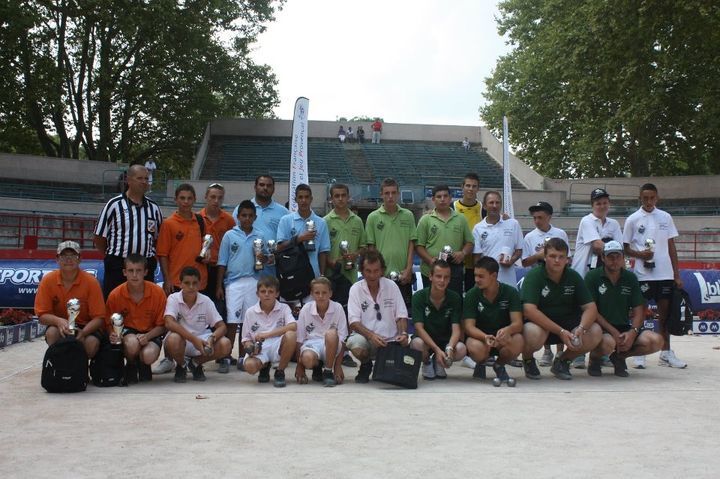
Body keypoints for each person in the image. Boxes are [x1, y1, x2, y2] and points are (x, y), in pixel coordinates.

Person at [520, 238, 603, 380]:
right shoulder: (534, 276)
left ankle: (563, 361)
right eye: (552, 256)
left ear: (567, 259)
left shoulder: (573, 276)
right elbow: (529, 310)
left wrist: (581, 328)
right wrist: (560, 331)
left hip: (568, 323)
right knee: (531, 332)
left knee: (595, 331)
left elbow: (591, 308)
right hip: (542, 325)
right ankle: (528, 360)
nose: (557, 260)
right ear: (545, 257)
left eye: (561, 257)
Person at [623, 183, 686, 369]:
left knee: (664, 315)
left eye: (652, 198)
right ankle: (639, 352)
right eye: (645, 198)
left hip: (664, 274)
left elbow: (671, 246)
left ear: (657, 198)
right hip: (642, 274)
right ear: (640, 198)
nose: (649, 201)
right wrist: (641, 255)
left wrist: (676, 274)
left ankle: (666, 353)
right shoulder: (632, 219)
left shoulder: (666, 217)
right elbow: (625, 248)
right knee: (639, 314)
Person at [584, 241, 663, 377]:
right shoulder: (592, 277)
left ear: (623, 258)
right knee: (608, 342)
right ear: (603, 257)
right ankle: (594, 359)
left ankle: (620, 357)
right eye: (610, 257)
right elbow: (592, 311)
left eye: (618, 257)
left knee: (656, 341)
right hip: (600, 328)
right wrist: (614, 332)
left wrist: (632, 333)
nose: (614, 261)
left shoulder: (630, 278)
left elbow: (639, 310)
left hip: (624, 327)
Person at [570, 187, 622, 369]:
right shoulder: (587, 220)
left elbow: (619, 250)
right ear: (592, 205)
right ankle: (578, 353)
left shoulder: (614, 224)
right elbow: (599, 246)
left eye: (605, 202)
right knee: (583, 315)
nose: (602, 206)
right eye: (598, 203)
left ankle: (601, 352)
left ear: (609, 204)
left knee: (602, 313)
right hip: (583, 274)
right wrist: (611, 247)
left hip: (604, 274)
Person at [94, 164, 163, 298]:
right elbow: (99, 237)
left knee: (144, 304)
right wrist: (111, 256)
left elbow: (158, 238)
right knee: (114, 305)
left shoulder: (154, 208)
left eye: (146, 178)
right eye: (140, 178)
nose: (144, 182)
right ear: (129, 180)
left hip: (145, 266)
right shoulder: (114, 205)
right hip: (118, 266)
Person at [346, 251, 409, 383]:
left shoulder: (392, 286)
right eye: (368, 271)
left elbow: (401, 315)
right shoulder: (355, 289)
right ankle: (365, 365)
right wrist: (371, 336)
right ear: (361, 271)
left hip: (391, 341)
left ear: (382, 270)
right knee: (356, 346)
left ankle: (385, 366)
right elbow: (353, 322)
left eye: (376, 271)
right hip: (368, 340)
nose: (372, 275)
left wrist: (403, 333)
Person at [35, 241, 106, 359]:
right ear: (57, 259)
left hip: (86, 326)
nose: (69, 260)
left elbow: (99, 318)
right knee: (52, 333)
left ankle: (80, 371)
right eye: (64, 256)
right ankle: (58, 369)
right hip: (60, 326)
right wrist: (59, 321)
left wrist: (83, 333)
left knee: (91, 344)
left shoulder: (91, 282)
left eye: (73, 256)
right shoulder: (48, 280)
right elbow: (42, 315)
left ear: (80, 259)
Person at [521, 201, 569, 367]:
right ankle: (547, 351)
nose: (537, 221)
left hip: (558, 280)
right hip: (539, 280)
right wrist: (539, 255)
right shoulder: (529, 237)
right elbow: (525, 262)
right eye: (534, 218)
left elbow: (567, 257)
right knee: (542, 314)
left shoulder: (560, 233)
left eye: (540, 217)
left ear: (549, 217)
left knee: (560, 313)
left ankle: (561, 350)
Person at [105, 254, 167, 383]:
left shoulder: (158, 293)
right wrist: (112, 334)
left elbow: (162, 325)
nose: (134, 275)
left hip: (150, 333)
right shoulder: (115, 295)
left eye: (138, 271)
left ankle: (144, 364)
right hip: (128, 333)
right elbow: (108, 323)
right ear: (124, 272)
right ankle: (131, 364)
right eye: (131, 271)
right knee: (132, 344)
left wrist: (148, 336)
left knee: (149, 355)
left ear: (145, 272)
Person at [164, 267, 231, 383]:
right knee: (173, 339)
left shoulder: (206, 301)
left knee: (226, 344)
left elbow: (222, 326)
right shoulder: (173, 298)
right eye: (187, 283)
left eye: (194, 283)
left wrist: (211, 338)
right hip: (182, 341)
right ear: (180, 284)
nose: (191, 287)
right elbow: (169, 322)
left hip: (202, 340)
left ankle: (196, 363)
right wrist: (193, 339)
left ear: (199, 284)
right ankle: (181, 366)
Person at [463, 257, 524, 384]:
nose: (476, 280)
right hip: (481, 339)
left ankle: (499, 365)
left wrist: (508, 330)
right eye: (475, 275)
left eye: (481, 276)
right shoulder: (471, 294)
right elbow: (469, 327)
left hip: (503, 339)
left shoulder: (510, 292)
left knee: (518, 340)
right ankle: (481, 363)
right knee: (474, 347)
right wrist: (485, 337)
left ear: (494, 275)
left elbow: (518, 323)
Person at [323, 183, 366, 367]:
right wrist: (331, 261)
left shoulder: (357, 221)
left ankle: (346, 352)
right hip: (332, 276)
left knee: (349, 315)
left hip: (350, 276)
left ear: (348, 197)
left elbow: (364, 246)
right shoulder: (325, 220)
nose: (340, 199)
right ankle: (328, 349)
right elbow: (322, 249)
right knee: (331, 313)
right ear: (331, 199)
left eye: (343, 195)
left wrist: (354, 255)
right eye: (336, 196)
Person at [365, 178, 417, 309]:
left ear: (398, 194)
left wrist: (409, 269)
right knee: (382, 314)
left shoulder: (408, 215)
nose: (390, 196)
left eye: (393, 193)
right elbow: (371, 249)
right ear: (381, 194)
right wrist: (377, 272)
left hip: (403, 275)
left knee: (403, 314)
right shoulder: (373, 217)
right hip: (381, 275)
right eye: (387, 193)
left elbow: (412, 243)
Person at [411, 260, 467, 380]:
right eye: (438, 276)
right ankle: (427, 363)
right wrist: (436, 350)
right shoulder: (419, 297)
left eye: (446, 277)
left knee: (461, 349)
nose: (442, 281)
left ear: (450, 279)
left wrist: (450, 348)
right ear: (430, 277)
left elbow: (456, 329)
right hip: (425, 341)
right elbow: (419, 329)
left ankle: (439, 362)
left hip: (444, 341)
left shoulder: (455, 298)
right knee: (417, 344)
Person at [416, 184, 473, 295]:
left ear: (450, 198)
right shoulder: (425, 219)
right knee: (432, 304)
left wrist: (463, 253)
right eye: (439, 196)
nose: (442, 199)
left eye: (445, 196)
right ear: (433, 199)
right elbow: (419, 246)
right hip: (431, 270)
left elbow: (470, 242)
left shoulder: (460, 219)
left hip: (454, 271)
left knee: (454, 303)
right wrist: (430, 260)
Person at [241, 275, 297, 388]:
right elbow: (246, 338)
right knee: (250, 367)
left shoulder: (284, 308)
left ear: (277, 293)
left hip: (278, 345)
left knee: (291, 335)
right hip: (260, 348)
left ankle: (280, 372)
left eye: (270, 291)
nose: (266, 294)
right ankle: (264, 367)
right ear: (257, 294)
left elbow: (293, 325)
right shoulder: (250, 312)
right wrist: (250, 348)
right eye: (263, 291)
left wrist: (267, 334)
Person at [233, 175, 289, 278]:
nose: (265, 188)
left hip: (272, 270)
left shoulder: (283, 212)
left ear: (273, 189)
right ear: (255, 187)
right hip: (246, 270)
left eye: (269, 185)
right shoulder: (240, 210)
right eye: (261, 185)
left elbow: (286, 242)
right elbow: (235, 237)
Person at [156, 183, 208, 297]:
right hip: (177, 280)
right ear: (175, 200)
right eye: (182, 198)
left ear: (194, 200)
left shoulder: (200, 221)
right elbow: (162, 254)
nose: (186, 201)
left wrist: (206, 255)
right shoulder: (168, 224)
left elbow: (205, 246)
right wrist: (167, 279)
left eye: (189, 198)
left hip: (198, 281)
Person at [295, 277, 348, 387]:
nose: (320, 296)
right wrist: (300, 367)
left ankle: (328, 371)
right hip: (312, 344)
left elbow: (343, 338)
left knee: (331, 334)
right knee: (307, 359)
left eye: (324, 292)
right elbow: (299, 339)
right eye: (317, 293)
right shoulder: (306, 309)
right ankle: (317, 367)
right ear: (312, 294)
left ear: (330, 293)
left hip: (332, 346)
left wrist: (338, 366)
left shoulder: (338, 308)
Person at [276, 183, 331, 283]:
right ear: (295, 199)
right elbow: (279, 248)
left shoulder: (321, 222)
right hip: (291, 274)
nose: (303, 200)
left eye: (306, 197)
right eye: (300, 197)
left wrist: (322, 275)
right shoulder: (286, 220)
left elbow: (322, 252)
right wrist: (299, 239)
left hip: (314, 276)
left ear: (311, 199)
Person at [472, 191, 523, 288]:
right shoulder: (478, 228)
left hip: (508, 281)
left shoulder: (513, 224)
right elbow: (477, 258)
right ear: (485, 206)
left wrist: (511, 261)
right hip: (487, 281)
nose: (494, 206)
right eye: (491, 202)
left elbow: (519, 250)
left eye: (497, 202)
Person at [452, 173, 486, 293]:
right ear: (462, 187)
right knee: (456, 296)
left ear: (478, 188)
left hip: (476, 262)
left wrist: (504, 218)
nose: (470, 189)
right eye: (468, 185)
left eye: (474, 186)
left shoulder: (483, 208)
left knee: (472, 296)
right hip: (457, 260)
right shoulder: (452, 207)